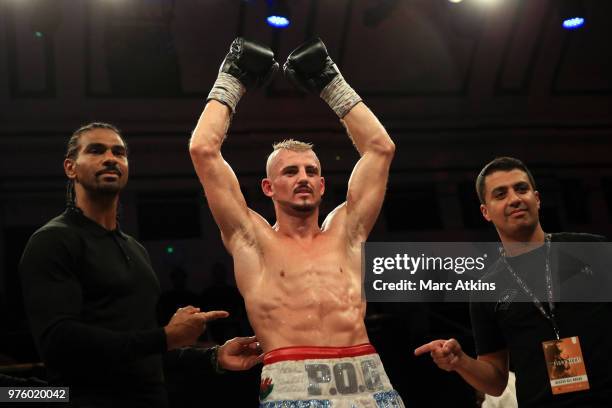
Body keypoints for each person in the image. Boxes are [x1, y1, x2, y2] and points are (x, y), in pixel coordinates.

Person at [189, 38, 405, 407]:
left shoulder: (347, 231)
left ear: (322, 185)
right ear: (268, 187)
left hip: (368, 376)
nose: (303, 177)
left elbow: (380, 149)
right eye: (290, 171)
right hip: (292, 379)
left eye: (311, 171)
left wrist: (330, 83)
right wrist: (233, 80)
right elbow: (203, 149)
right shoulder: (251, 239)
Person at [19, 122, 262, 408]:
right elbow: (58, 342)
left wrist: (212, 356)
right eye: (96, 150)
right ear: (71, 168)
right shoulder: (53, 240)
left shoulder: (134, 249)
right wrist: (165, 336)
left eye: (119, 153)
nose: (110, 158)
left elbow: (141, 350)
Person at [415, 157, 612, 407]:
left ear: (537, 198)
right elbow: (496, 382)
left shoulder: (592, 250)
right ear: (485, 212)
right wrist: (461, 362)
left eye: (521, 189)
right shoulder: (486, 290)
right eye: (500, 194)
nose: (515, 199)